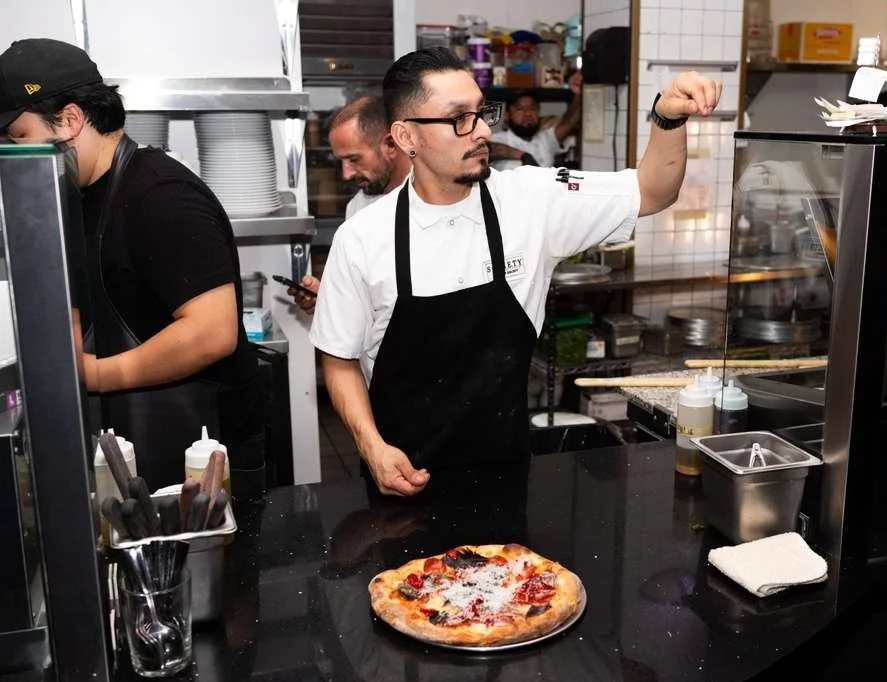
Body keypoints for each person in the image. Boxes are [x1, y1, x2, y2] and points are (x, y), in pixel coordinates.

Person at [310, 46, 720, 498]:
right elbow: (339, 359)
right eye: (459, 118)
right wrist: (371, 448)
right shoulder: (362, 237)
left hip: (505, 478)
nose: (483, 129)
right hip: (399, 483)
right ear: (406, 136)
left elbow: (652, 191)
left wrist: (667, 118)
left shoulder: (531, 200)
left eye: (481, 112)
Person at [0, 38, 267, 493]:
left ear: (68, 120)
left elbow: (212, 331)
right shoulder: (79, 193)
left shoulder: (160, 194)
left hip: (202, 460)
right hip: (144, 449)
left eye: (19, 137)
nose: (13, 153)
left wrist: (94, 376)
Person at [287, 95, 412, 313]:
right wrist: (327, 298)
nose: (346, 174)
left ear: (391, 144)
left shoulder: (433, 196)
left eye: (354, 159)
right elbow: (363, 293)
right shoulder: (357, 207)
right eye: (341, 161)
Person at [488, 70, 583, 170]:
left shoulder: (546, 139)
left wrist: (578, 94)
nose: (528, 113)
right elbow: (489, 149)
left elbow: (568, 122)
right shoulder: (498, 139)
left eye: (532, 108)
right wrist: (523, 156)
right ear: (507, 115)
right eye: (520, 108)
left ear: (539, 111)